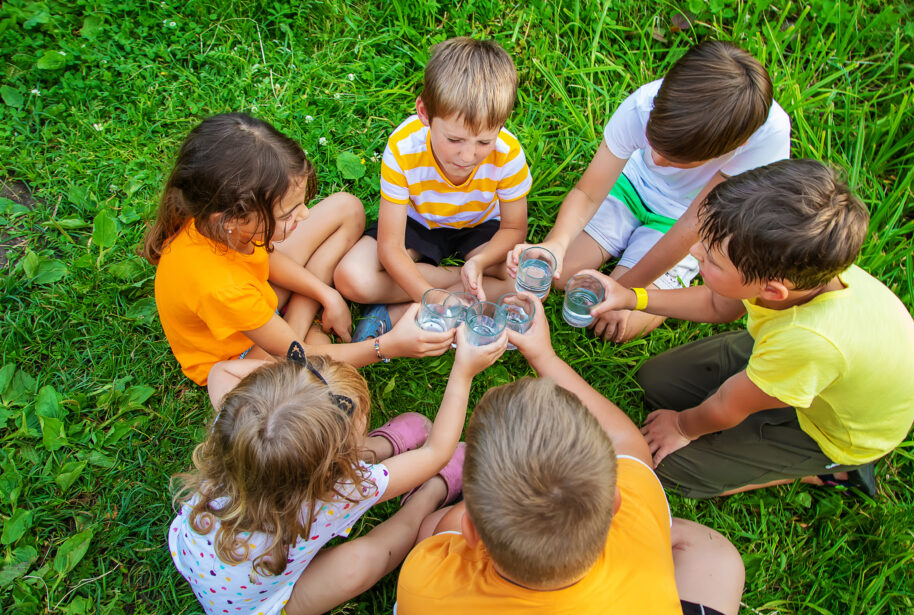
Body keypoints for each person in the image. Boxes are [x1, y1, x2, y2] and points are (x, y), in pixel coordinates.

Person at [395, 295, 746, 615]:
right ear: (614, 504)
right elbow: (627, 443)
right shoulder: (637, 519)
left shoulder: (425, 589)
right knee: (715, 554)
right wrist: (544, 356)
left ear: (473, 531)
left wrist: (454, 521)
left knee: (433, 528)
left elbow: (442, 545)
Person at [585, 159, 914, 498]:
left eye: (712, 259)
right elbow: (718, 304)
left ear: (771, 291)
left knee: (672, 468)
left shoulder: (807, 340)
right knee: (655, 382)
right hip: (805, 360)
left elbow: (727, 408)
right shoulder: (801, 267)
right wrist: (632, 297)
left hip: (832, 426)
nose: (694, 250)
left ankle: (834, 473)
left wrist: (681, 426)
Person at [168, 333, 506, 615]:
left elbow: (219, 373)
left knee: (302, 447)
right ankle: (427, 495)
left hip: (194, 551)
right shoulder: (338, 495)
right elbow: (436, 453)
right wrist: (462, 372)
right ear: (334, 473)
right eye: (355, 437)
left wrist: (293, 388)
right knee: (363, 562)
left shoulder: (239, 428)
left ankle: (376, 448)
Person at [143, 113, 452, 405]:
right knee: (325, 381)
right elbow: (299, 354)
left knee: (347, 208)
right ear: (232, 219)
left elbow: (265, 261)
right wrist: (386, 347)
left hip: (255, 305)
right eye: (287, 213)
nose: (304, 215)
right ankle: (309, 321)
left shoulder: (216, 221)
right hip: (240, 357)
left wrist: (326, 293)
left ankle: (304, 314)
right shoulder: (222, 287)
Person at [508, 40, 790, 343]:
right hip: (630, 186)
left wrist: (627, 293)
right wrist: (556, 244)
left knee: (614, 324)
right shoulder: (643, 105)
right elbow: (589, 191)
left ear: (735, 149)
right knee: (560, 276)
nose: (656, 159)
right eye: (654, 145)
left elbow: (690, 227)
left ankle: (654, 289)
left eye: (675, 160)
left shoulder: (766, 140)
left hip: (685, 218)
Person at [334, 37, 531, 340]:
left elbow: (514, 228)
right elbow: (390, 248)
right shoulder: (403, 147)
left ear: (502, 124)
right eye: (454, 140)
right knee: (350, 277)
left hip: (479, 227)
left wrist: (478, 262)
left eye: (484, 142)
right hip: (418, 222)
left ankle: (394, 306)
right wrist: (431, 297)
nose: (468, 156)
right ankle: (458, 288)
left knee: (524, 283)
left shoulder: (509, 153)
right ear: (424, 113)